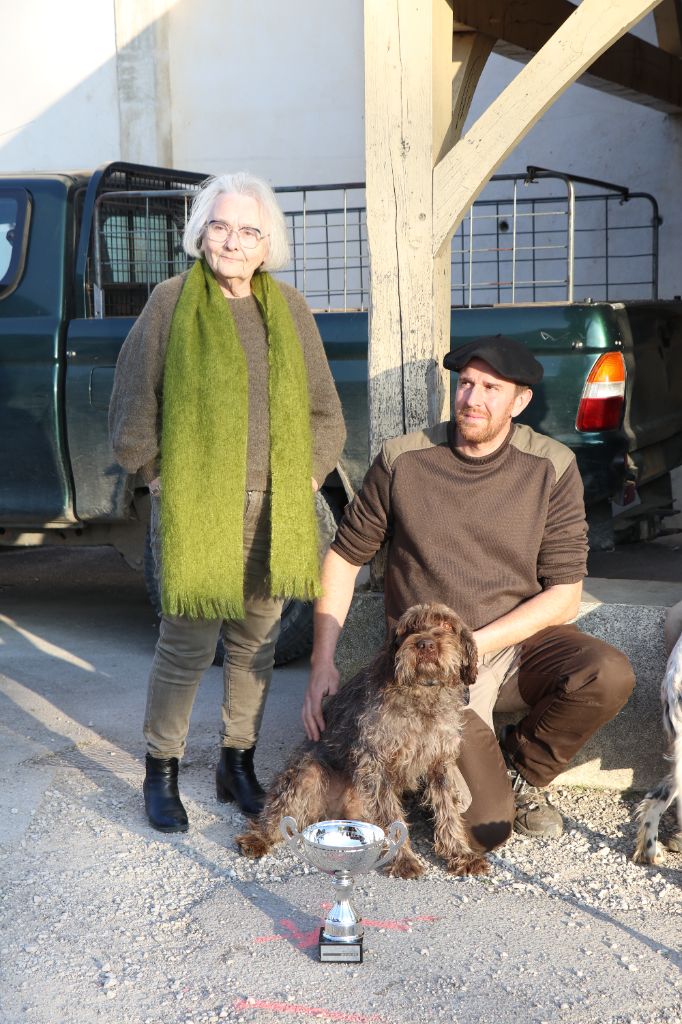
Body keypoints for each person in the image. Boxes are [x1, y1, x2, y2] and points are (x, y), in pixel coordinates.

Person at [302, 334, 635, 852]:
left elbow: (566, 595)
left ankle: (521, 773)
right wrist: (322, 661)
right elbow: (344, 558)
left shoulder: (551, 466)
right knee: (484, 833)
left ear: (520, 401)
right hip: (429, 671)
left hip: (514, 644)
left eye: (491, 388)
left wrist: (477, 643)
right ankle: (473, 781)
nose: (472, 399)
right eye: (466, 384)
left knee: (607, 673)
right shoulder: (405, 459)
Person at [109, 171, 346, 832]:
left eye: (248, 231)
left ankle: (236, 763)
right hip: (198, 510)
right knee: (185, 644)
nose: (233, 242)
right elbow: (132, 404)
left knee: (255, 644)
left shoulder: (290, 308)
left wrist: (303, 479)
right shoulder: (169, 302)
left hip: (275, 509)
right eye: (220, 226)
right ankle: (161, 770)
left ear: (267, 244)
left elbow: (326, 412)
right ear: (199, 234)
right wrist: (159, 475)